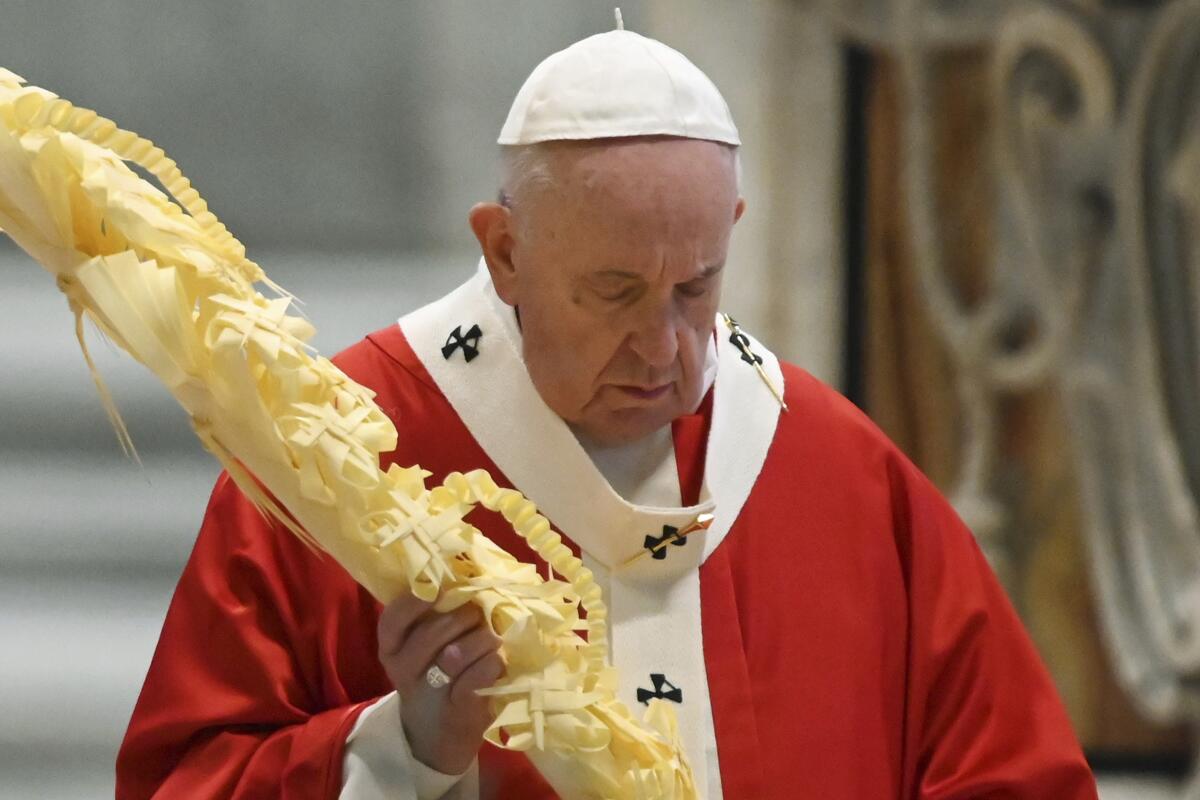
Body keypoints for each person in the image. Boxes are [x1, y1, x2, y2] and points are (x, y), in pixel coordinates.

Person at [115, 21, 1099, 800]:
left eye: (696, 286)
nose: (666, 349)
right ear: (504, 250)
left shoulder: (837, 470)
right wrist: (406, 750)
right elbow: (185, 779)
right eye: (616, 291)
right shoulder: (338, 455)